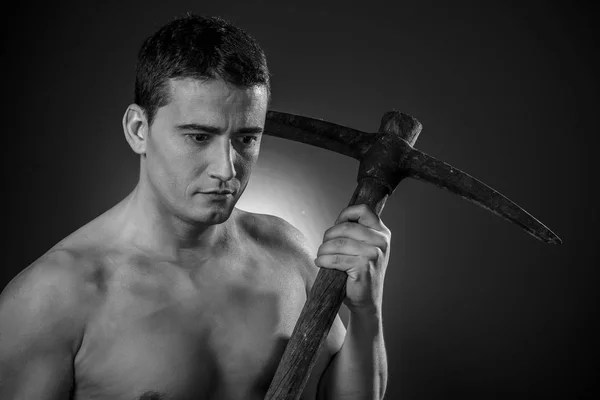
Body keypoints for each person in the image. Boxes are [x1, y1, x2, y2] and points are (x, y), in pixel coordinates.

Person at [0, 14, 390, 400]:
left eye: (246, 138)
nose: (227, 168)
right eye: (199, 136)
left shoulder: (286, 252)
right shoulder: (52, 298)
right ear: (139, 130)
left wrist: (367, 315)